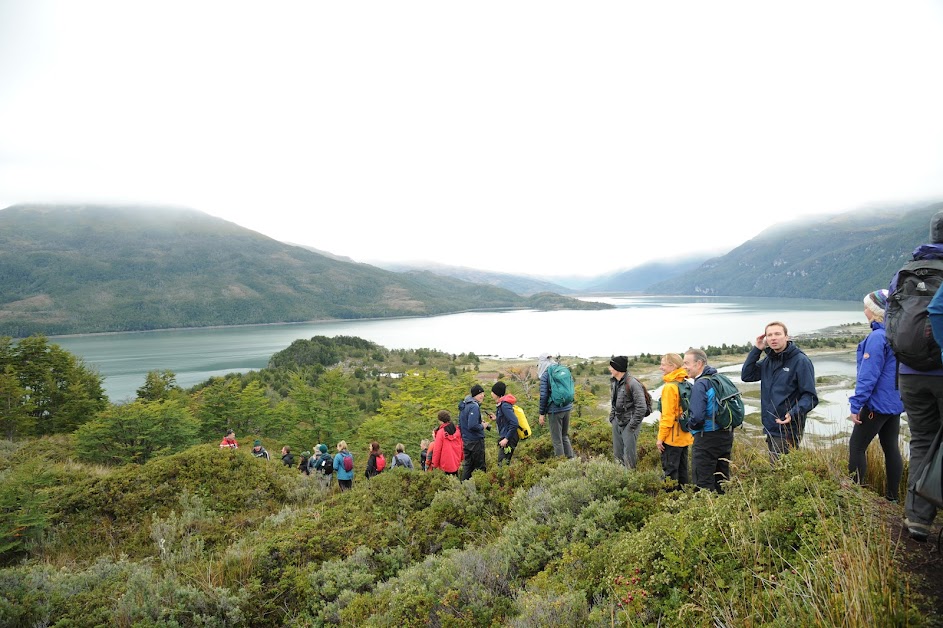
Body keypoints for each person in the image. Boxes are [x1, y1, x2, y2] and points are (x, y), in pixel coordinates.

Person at [896, 210, 943, 542]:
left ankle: (917, 519)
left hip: (910, 374)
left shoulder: (908, 270)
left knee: (922, 441)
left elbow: (890, 319)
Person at [847, 289, 904, 502]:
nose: (864, 311)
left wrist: (856, 404)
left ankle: (856, 495)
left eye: (866, 307)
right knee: (891, 447)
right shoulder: (897, 334)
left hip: (877, 405)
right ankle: (893, 498)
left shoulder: (877, 337)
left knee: (857, 446)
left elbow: (868, 376)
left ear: (874, 310)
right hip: (895, 403)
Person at [741, 321, 818, 463]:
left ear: (787, 337)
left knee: (781, 471)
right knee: (780, 471)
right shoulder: (768, 361)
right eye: (769, 335)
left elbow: (810, 397)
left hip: (788, 427)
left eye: (777, 334)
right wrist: (757, 349)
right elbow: (747, 375)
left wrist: (793, 413)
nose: (773, 338)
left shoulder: (800, 361)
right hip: (770, 425)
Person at [684, 348, 734, 493]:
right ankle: (725, 510)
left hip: (706, 437)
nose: (684, 367)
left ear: (699, 363)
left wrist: (689, 426)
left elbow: (697, 417)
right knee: (722, 479)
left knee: (703, 481)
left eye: (687, 363)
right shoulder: (719, 379)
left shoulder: (700, 385)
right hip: (726, 435)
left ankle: (706, 510)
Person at [656, 353, 693, 486]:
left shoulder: (670, 387)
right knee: (683, 470)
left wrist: (660, 438)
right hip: (685, 435)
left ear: (672, 366)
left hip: (672, 438)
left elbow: (668, 416)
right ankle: (685, 499)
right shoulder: (684, 382)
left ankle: (671, 501)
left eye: (663, 364)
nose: (661, 368)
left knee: (670, 472)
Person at [607, 356, 647, 469]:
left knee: (629, 455)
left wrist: (632, 425)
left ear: (617, 368)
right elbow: (614, 402)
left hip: (630, 423)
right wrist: (612, 418)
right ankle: (620, 478)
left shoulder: (633, 383)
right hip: (617, 421)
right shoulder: (614, 382)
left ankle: (630, 480)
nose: (609, 368)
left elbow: (642, 407)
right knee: (617, 454)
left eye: (611, 366)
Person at [537, 352, 575, 459]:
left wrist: (541, 413)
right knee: (564, 436)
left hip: (555, 410)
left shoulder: (546, 374)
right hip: (567, 407)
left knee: (557, 439)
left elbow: (544, 396)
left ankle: (562, 465)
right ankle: (571, 461)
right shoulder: (561, 369)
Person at [459, 384, 490, 480]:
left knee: (468, 465)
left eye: (483, 393)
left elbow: (462, 423)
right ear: (474, 395)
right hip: (475, 441)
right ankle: (481, 486)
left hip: (466, 440)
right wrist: (482, 426)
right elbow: (472, 426)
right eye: (480, 394)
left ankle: (464, 487)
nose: (482, 396)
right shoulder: (474, 407)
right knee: (479, 466)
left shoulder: (465, 405)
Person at [491, 382, 520, 466]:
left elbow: (514, 422)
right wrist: (496, 418)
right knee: (503, 462)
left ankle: (505, 478)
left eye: (493, 392)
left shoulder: (504, 405)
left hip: (509, 438)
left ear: (497, 393)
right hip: (508, 436)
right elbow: (506, 420)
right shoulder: (502, 404)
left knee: (502, 464)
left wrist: (506, 439)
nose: (491, 394)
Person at [431, 410, 464, 475]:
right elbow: (462, 446)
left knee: (446, 483)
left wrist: (434, 464)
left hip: (445, 464)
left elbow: (437, 450)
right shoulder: (457, 430)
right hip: (456, 462)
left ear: (440, 420)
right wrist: (462, 458)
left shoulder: (441, 433)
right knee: (455, 481)